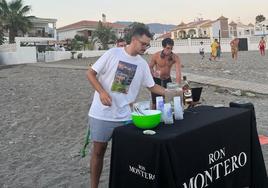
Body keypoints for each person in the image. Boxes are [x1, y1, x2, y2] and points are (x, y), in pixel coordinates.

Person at [87, 27, 174, 188]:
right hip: (102, 114)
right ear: (134, 40)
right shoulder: (113, 53)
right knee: (99, 151)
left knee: (128, 155)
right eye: (143, 44)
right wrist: (101, 92)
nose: (145, 48)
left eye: (148, 45)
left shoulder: (141, 64)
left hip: (126, 116)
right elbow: (90, 73)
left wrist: (172, 92)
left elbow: (152, 86)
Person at [149, 37, 182, 109]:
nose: (170, 50)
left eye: (171, 48)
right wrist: (153, 73)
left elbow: (178, 73)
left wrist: (178, 87)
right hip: (157, 80)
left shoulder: (175, 57)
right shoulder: (156, 55)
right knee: (155, 103)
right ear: (163, 47)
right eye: (168, 48)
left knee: (169, 102)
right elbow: (150, 67)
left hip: (167, 80)